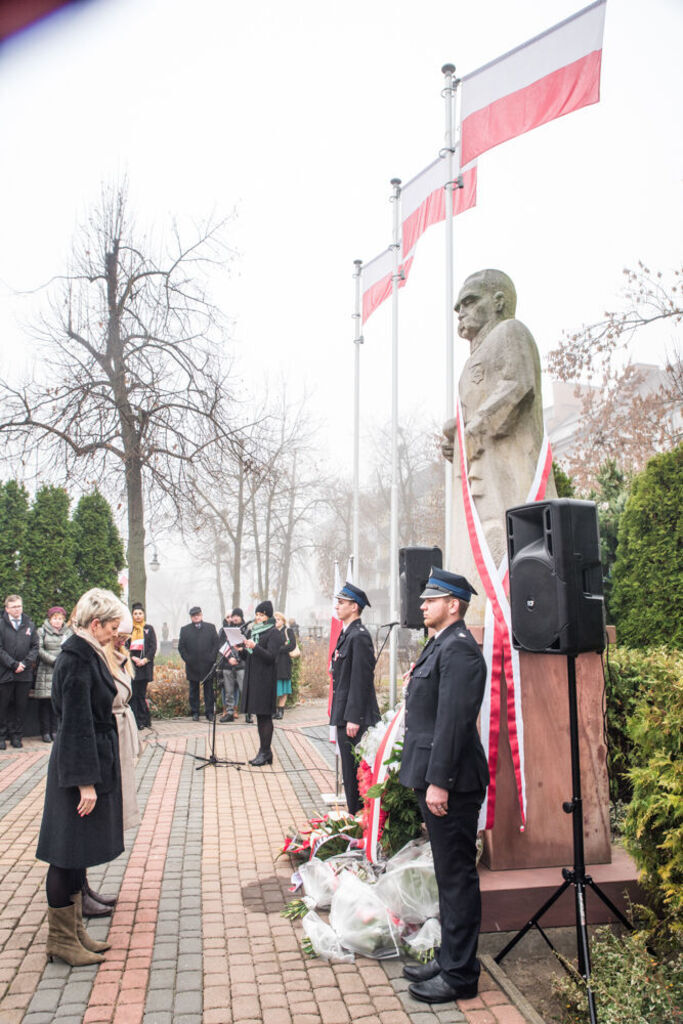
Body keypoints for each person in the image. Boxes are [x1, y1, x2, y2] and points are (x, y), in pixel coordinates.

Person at [442, 270, 556, 621]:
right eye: (458, 305)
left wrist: (473, 430)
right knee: (488, 539)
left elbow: (517, 386)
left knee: (513, 540)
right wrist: (455, 436)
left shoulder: (510, 332)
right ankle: (487, 615)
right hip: (481, 469)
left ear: (499, 301)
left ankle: (516, 612)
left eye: (470, 300)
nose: (460, 310)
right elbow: (474, 411)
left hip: (513, 468)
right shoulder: (469, 363)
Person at [399, 567, 489, 1004]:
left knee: (456, 878)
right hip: (440, 778)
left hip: (451, 783)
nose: (422, 605)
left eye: (431, 600)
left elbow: (454, 724)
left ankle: (460, 975)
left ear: (453, 605)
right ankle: (451, 957)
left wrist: (439, 783)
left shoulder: (460, 651)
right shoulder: (443, 646)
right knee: (448, 875)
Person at [35, 588, 126, 966]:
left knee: (76, 854)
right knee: (65, 854)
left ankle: (73, 933)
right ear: (95, 624)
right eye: (113, 627)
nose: (116, 633)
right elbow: (74, 723)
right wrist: (84, 782)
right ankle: (60, 939)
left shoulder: (88, 652)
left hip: (89, 762)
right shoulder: (76, 659)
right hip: (77, 769)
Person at [329, 582, 379, 814]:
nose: (337, 606)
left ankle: (360, 822)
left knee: (356, 775)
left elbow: (361, 680)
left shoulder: (358, 636)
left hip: (353, 718)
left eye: (342, 602)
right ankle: (355, 818)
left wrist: (354, 718)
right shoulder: (347, 634)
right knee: (349, 776)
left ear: (355, 607)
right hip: (344, 714)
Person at [241, 600, 283, 766]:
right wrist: (243, 651)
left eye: (261, 615)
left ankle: (265, 751)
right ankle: (265, 751)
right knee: (260, 716)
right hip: (254, 679)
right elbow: (251, 657)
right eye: (257, 614)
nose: (258, 618)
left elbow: (271, 657)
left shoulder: (274, 633)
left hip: (265, 680)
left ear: (268, 616)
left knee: (265, 717)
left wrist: (255, 647)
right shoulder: (255, 632)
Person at [0, 594, 39, 750]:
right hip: (5, 673)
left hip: (24, 674)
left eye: (20, 606)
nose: (18, 609)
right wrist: (13, 664)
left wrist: (24, 663)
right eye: (14, 606)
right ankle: (2, 736)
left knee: (20, 706)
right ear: (7, 608)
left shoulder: (29, 624)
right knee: (3, 706)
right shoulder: (1, 624)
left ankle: (17, 736)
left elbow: (35, 647)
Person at [33, 606, 71, 743]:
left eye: (60, 618)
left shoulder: (68, 632)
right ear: (50, 619)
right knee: (45, 703)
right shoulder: (41, 631)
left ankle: (55, 730)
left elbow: (70, 648)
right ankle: (45, 731)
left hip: (62, 672)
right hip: (46, 671)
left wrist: (63, 661)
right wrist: (54, 660)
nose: (57, 621)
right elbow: (39, 649)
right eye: (54, 618)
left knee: (57, 703)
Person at [177, 606, 219, 721]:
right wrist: (187, 659)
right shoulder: (185, 630)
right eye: (193, 615)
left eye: (198, 615)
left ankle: (209, 712)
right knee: (193, 690)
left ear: (201, 615)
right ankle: (195, 712)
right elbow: (181, 647)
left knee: (209, 690)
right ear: (191, 617)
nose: (196, 617)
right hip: (192, 665)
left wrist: (212, 658)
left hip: (208, 665)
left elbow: (216, 644)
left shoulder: (210, 628)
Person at [126, 602, 157, 730]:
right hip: (132, 665)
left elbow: (153, 646)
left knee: (141, 694)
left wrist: (144, 660)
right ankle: (136, 720)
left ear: (143, 615)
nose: (138, 616)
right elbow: (125, 645)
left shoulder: (148, 628)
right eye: (135, 614)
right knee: (133, 693)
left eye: (140, 613)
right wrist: (132, 658)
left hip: (144, 666)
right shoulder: (129, 629)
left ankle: (145, 719)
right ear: (132, 615)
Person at [217, 607, 247, 723]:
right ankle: (229, 712)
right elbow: (221, 645)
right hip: (227, 665)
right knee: (228, 691)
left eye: (236, 616)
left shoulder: (246, 629)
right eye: (232, 616)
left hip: (241, 665)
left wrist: (239, 657)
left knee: (243, 689)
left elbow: (247, 645)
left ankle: (248, 713)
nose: (234, 618)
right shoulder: (223, 631)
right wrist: (229, 658)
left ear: (241, 617)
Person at [274, 611, 297, 719]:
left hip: (284, 663)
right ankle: (274, 710)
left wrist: (280, 649)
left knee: (283, 688)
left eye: (278, 619)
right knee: (274, 688)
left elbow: (292, 645)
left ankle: (281, 711)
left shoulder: (288, 631)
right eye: (275, 619)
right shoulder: (272, 631)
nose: (276, 621)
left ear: (283, 621)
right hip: (273, 664)